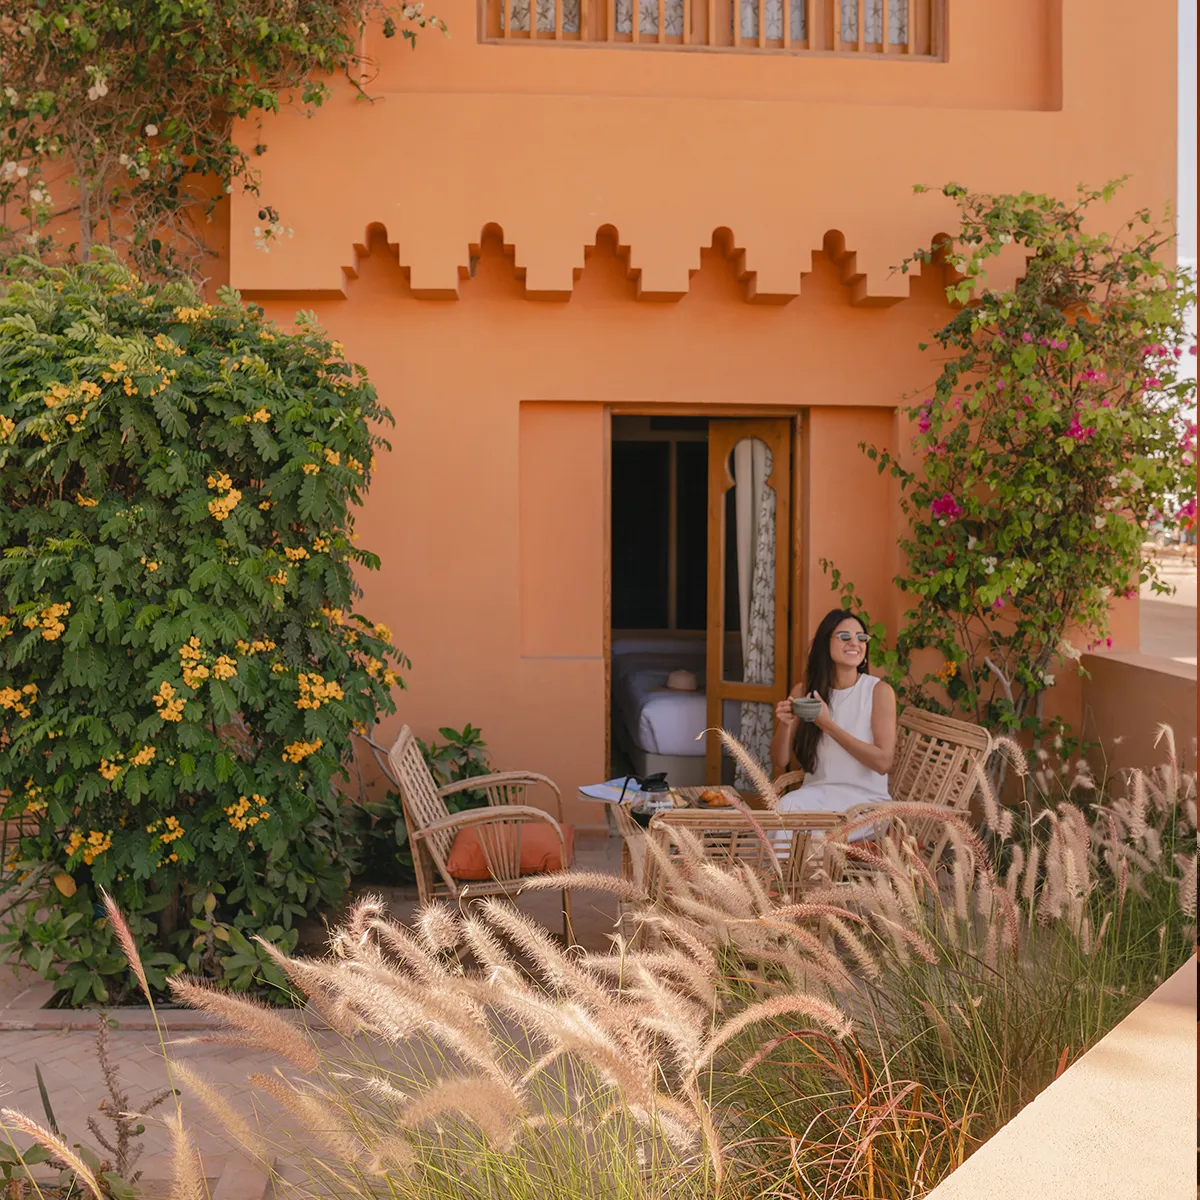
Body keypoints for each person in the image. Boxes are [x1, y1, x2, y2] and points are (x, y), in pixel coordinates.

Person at [770, 608, 897, 817]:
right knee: (783, 810)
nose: (854, 643)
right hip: (815, 796)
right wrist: (784, 724)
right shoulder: (804, 692)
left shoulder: (878, 692)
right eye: (844, 637)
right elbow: (779, 761)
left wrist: (828, 725)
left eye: (861, 637)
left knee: (813, 834)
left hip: (865, 805)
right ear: (825, 643)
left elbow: (883, 763)